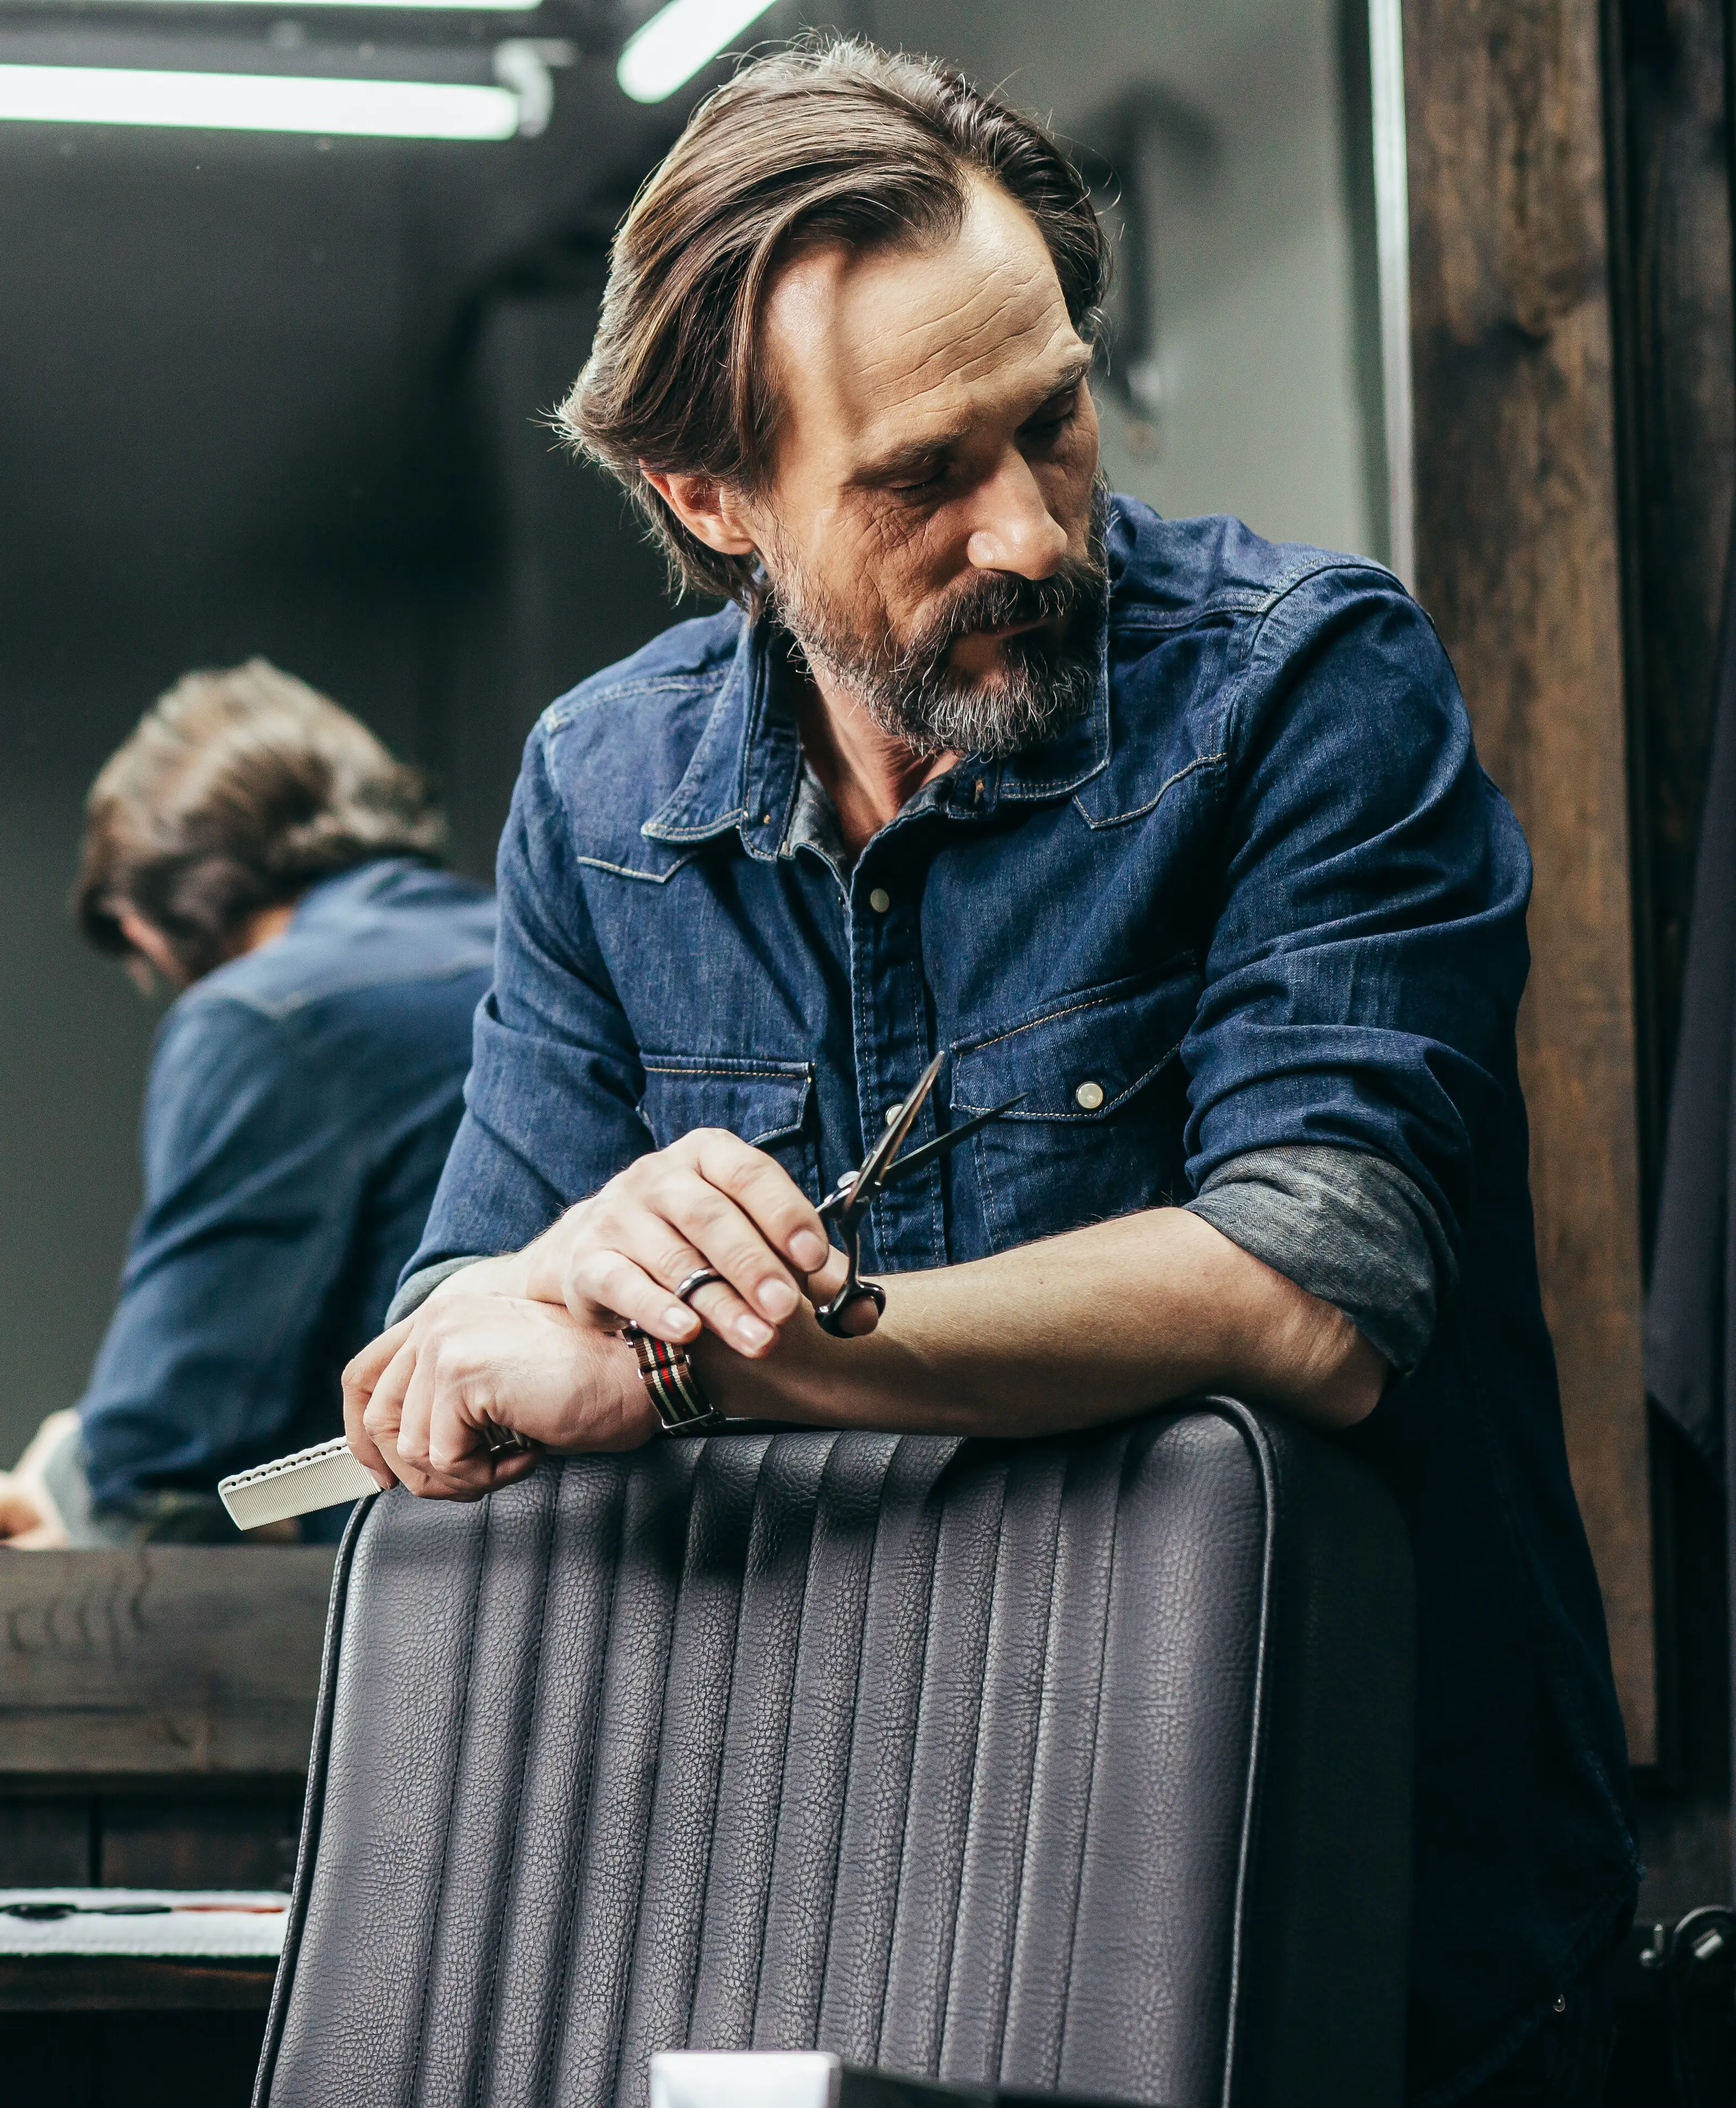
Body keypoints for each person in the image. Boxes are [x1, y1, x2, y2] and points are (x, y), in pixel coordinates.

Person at [341, 38, 1637, 2108]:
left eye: (1053, 421)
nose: (1030, 529)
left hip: (1361, 1968)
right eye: (924, 475)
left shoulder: (1309, 693)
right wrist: (553, 1273)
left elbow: (1312, 1292)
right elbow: (452, 1347)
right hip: (854, 1930)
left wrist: (698, 1355)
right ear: (710, 495)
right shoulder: (599, 795)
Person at [0, 659, 493, 1547]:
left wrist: (68, 1480)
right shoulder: (539, 954)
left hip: (433, 1606)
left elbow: (161, 1447)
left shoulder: (263, 1019)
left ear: (146, 923)